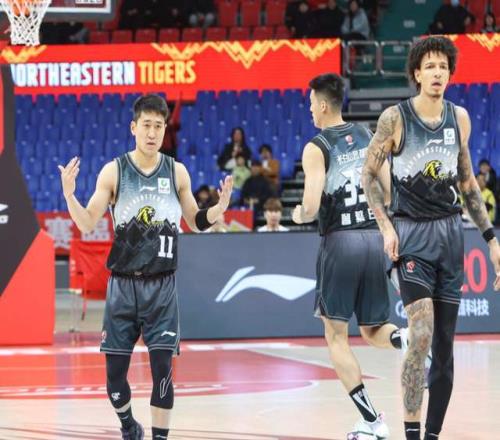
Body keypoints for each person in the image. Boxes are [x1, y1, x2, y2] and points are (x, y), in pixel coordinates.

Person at [58, 94, 233, 440]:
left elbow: (195, 221)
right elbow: (87, 222)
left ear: (165, 129)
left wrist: (218, 209)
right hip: (123, 287)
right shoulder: (115, 171)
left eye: (159, 126)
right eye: (147, 126)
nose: (152, 133)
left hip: (162, 287)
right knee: (114, 379)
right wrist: (69, 196)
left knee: (163, 372)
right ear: (133, 128)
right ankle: (128, 425)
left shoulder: (176, 171)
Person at [361, 36, 500, 440]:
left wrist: (491, 239)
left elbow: (468, 184)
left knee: (444, 347)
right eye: (430, 66)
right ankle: (411, 433)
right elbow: (368, 175)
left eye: (443, 66)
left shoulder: (460, 119)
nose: (438, 72)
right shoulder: (396, 118)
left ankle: (432, 434)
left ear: (449, 74)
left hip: (450, 235)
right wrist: (386, 226)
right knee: (420, 333)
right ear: (417, 74)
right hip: (411, 235)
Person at [292, 73, 410, 439]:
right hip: (373, 237)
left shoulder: (316, 147)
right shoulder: (366, 134)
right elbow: (389, 191)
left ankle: (372, 422)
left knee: (336, 336)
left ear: (323, 104)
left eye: (311, 104)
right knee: (373, 329)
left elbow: (311, 207)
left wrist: (297, 214)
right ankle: (406, 339)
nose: (310, 110)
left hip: (340, 243)